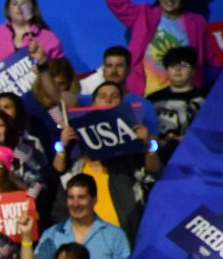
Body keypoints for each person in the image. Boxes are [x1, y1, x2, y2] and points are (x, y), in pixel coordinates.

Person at [54, 83, 160, 242]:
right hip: (84, 242)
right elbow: (58, 169)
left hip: (125, 239)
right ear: (93, 103)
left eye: (114, 97)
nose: (108, 100)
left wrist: (148, 144)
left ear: (122, 103)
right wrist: (62, 146)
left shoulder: (132, 153)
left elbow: (153, 171)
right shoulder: (78, 150)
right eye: (102, 97)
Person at [20, 174, 131, 259]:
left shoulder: (115, 236)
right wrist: (26, 236)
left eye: (81, 197)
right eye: (71, 198)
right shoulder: (52, 234)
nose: (75, 203)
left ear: (94, 200)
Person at [104, 0, 210, 96]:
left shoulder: (198, 23)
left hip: (184, 99)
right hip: (145, 97)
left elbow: (213, 58)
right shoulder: (143, 15)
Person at [147, 46, 206, 163]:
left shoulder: (206, 98)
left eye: (184, 66)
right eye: (173, 65)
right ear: (166, 69)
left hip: (198, 158)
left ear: (193, 71)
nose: (177, 70)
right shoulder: (152, 100)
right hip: (162, 160)